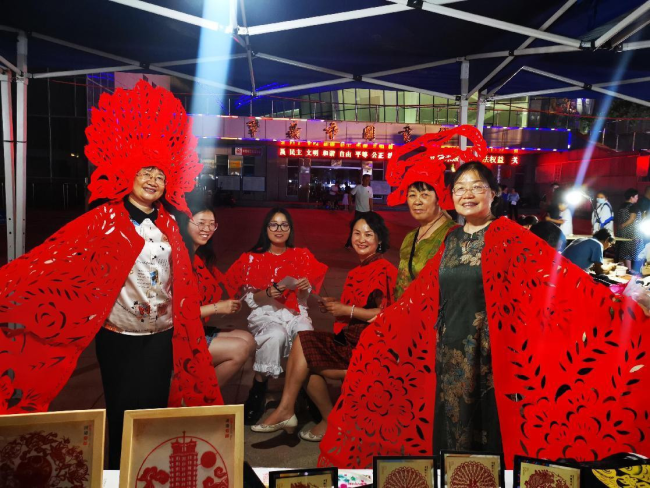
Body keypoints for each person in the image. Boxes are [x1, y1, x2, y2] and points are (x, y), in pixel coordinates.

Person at [320, 158, 650, 469]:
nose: (467, 194)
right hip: (447, 352)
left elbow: (557, 279)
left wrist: (621, 306)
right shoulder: (451, 240)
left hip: (491, 356)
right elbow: (421, 295)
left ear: (493, 193)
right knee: (449, 427)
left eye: (477, 186)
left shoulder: (509, 236)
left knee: (489, 430)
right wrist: (381, 326)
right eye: (460, 188)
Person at [0, 81, 223, 469]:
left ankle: (146, 472)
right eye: (146, 171)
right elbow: (54, 257)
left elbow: (182, 278)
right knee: (121, 409)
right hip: (118, 335)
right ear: (129, 172)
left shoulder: (171, 224)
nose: (153, 180)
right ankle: (118, 473)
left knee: (152, 411)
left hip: (162, 334)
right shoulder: (103, 219)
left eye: (160, 175)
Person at [250, 212, 397, 441]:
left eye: (369, 234)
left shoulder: (383, 269)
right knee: (303, 341)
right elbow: (359, 308)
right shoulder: (359, 270)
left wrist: (346, 310)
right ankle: (313, 415)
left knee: (305, 354)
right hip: (352, 338)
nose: (361, 239)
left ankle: (299, 413)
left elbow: (386, 314)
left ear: (379, 240)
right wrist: (336, 306)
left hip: (368, 347)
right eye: (357, 233)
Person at [225, 207, 328, 424]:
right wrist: (270, 292)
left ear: (290, 229)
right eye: (273, 224)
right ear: (266, 228)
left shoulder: (301, 255)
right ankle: (258, 390)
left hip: (295, 312)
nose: (279, 229)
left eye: (284, 225)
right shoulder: (252, 258)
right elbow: (253, 300)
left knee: (305, 334)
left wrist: (304, 287)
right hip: (266, 314)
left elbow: (303, 299)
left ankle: (307, 392)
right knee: (275, 335)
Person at [177, 202, 257, 387]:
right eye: (201, 223)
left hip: (194, 329)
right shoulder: (178, 259)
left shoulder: (199, 257)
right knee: (239, 349)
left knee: (249, 340)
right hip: (177, 337)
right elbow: (176, 313)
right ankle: (199, 397)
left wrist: (223, 305)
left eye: (212, 224)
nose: (207, 229)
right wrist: (216, 307)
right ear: (185, 223)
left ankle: (198, 389)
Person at [617, 188, 643, 272]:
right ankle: (637, 271)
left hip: (623, 234)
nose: (637, 198)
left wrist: (621, 226)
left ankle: (627, 270)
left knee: (625, 254)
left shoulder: (621, 206)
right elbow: (632, 218)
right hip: (633, 233)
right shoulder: (633, 206)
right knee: (638, 253)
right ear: (631, 197)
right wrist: (623, 225)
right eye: (636, 197)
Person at [345, 174, 373, 248]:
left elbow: (370, 200)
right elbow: (350, 194)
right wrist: (350, 204)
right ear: (362, 180)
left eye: (368, 180)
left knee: (367, 228)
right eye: (366, 179)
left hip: (367, 212)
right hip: (359, 211)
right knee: (355, 228)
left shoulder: (370, 189)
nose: (367, 181)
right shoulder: (358, 187)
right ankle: (349, 243)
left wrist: (371, 209)